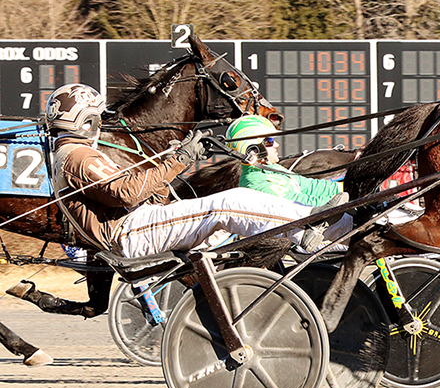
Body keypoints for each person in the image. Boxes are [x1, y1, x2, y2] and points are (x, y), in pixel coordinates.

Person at [38, 84, 347, 259]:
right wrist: (180, 159)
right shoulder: (78, 155)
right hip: (130, 232)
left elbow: (126, 189)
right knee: (230, 202)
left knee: (232, 205)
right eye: (98, 117)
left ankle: (320, 222)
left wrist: (173, 159)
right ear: (87, 122)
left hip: (136, 225)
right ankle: (309, 225)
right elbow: (126, 191)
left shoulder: (72, 154)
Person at [224, 114, 351, 248]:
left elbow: (312, 187)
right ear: (253, 149)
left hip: (327, 223)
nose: (277, 144)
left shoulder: (272, 169)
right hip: (306, 238)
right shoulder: (256, 183)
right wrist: (349, 199)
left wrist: (350, 188)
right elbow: (302, 204)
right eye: (270, 141)